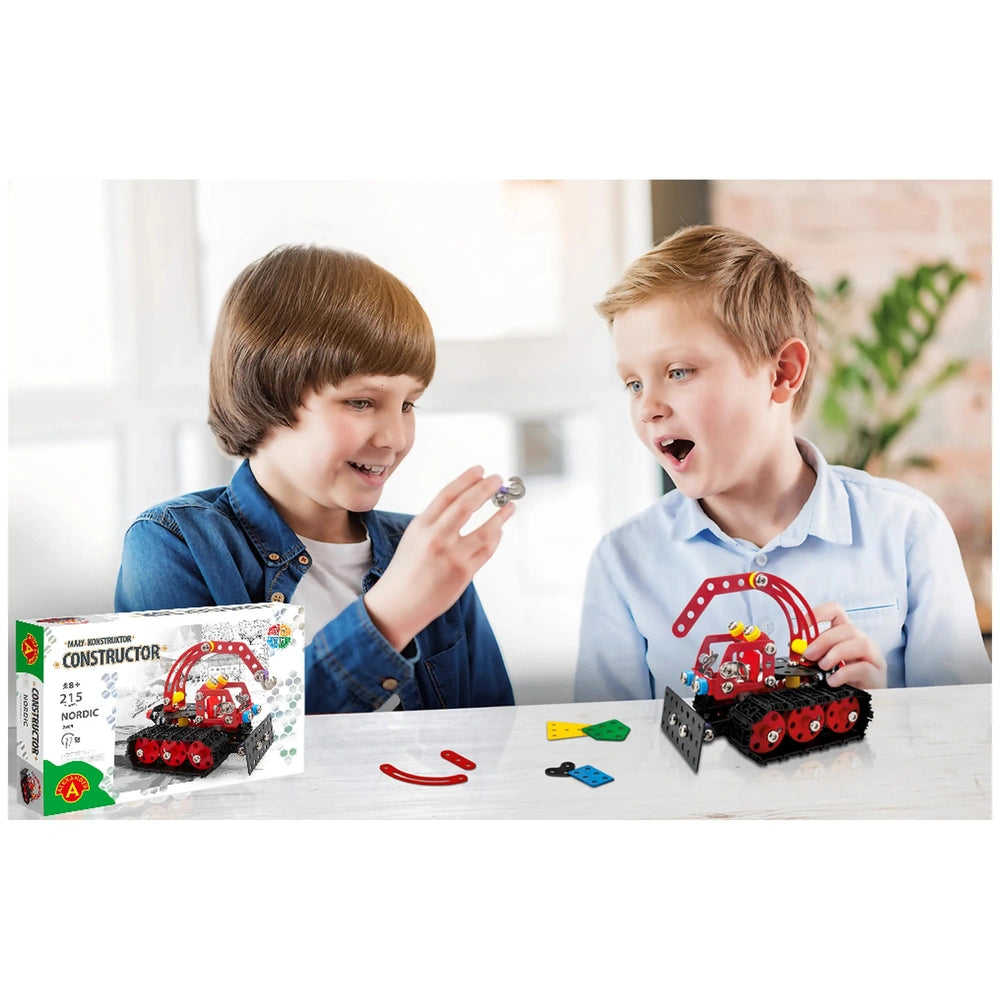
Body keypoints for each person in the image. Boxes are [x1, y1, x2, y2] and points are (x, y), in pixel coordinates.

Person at [575, 225, 991, 702]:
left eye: (678, 372)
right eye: (633, 384)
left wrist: (886, 714)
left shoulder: (908, 530)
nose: (648, 406)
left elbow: (968, 748)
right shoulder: (623, 564)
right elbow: (607, 753)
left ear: (781, 373)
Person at [116, 244, 516, 713]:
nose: (395, 437)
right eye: (361, 402)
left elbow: (493, 740)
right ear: (267, 392)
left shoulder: (426, 551)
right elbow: (209, 751)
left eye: (408, 405)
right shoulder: (177, 545)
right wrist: (388, 618)